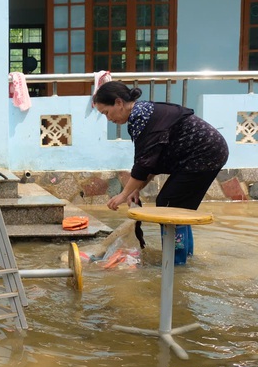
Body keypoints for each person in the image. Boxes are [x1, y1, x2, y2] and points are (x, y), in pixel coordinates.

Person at [93, 81, 229, 264]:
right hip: (204, 153)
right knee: (177, 207)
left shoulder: (140, 116)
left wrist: (124, 193)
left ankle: (176, 263)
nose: (108, 118)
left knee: (168, 204)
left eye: (106, 113)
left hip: (203, 153)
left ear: (118, 102)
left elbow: (144, 162)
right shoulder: (141, 113)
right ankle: (184, 258)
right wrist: (136, 189)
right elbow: (151, 162)